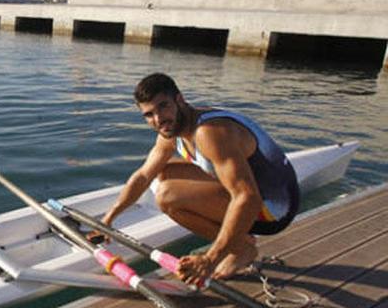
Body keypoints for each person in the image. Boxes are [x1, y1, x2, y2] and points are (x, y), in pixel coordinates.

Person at [100, 73, 299, 285]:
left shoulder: (209, 133)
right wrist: (108, 219)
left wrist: (210, 259)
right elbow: (143, 176)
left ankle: (241, 249)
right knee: (162, 173)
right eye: (149, 114)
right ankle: (240, 241)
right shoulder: (171, 132)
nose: (158, 119)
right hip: (256, 190)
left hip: (274, 210)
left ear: (180, 99)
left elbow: (247, 198)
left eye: (163, 106)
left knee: (167, 196)